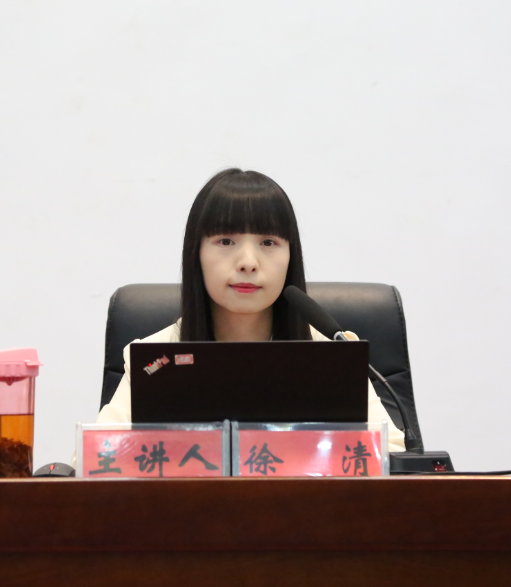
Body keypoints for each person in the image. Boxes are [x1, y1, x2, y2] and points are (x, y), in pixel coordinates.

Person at [97, 168, 406, 452]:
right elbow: (98, 455)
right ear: (196, 255)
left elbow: (392, 455)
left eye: (268, 242)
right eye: (226, 241)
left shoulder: (333, 353)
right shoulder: (156, 357)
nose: (248, 262)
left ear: (290, 257)